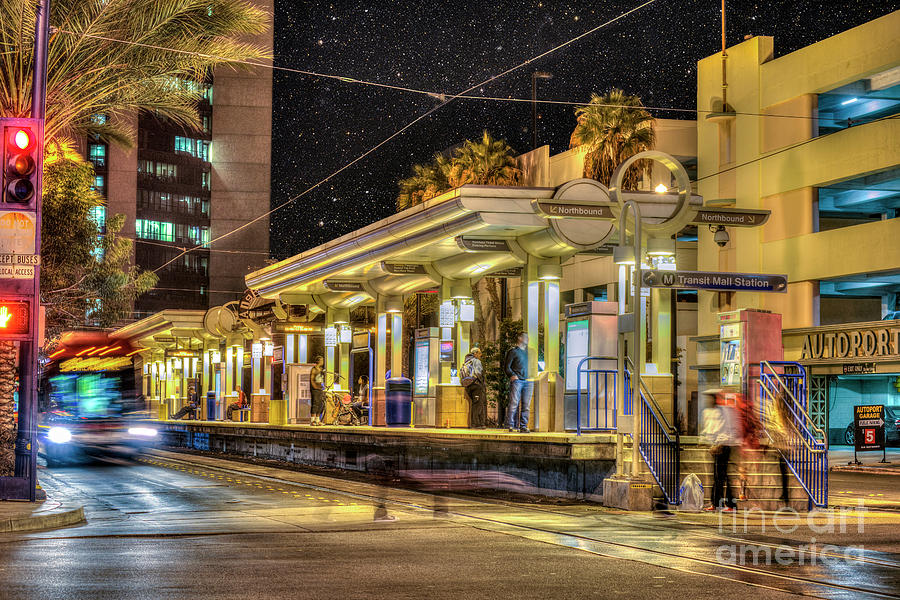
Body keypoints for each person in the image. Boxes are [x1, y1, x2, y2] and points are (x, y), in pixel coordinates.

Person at [700, 391, 739, 511]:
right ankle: (723, 503)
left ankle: (721, 503)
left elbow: (727, 429)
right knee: (720, 476)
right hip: (716, 446)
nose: (708, 402)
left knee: (720, 476)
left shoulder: (724, 411)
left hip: (723, 446)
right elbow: (708, 429)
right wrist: (704, 440)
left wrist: (720, 443)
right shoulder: (708, 412)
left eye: (710, 399)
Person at [764, 390, 793, 506]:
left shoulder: (779, 413)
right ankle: (785, 494)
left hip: (780, 444)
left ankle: (785, 494)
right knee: (783, 471)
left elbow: (778, 427)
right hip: (782, 444)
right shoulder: (785, 412)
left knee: (782, 471)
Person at [504, 332, 533, 433]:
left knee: (526, 405)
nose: (527, 339)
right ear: (519, 338)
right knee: (514, 403)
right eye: (525, 337)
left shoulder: (530, 352)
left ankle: (523, 426)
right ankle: (510, 425)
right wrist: (512, 375)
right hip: (517, 381)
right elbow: (507, 367)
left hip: (529, 381)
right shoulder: (513, 352)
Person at [462, 347, 486, 429]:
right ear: (475, 353)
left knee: (475, 404)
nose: (480, 354)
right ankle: (476, 424)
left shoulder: (466, 361)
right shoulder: (476, 361)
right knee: (477, 405)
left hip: (468, 386)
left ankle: (478, 423)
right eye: (479, 353)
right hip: (476, 385)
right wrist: (482, 383)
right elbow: (478, 373)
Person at [310, 355, 325, 425]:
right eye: (321, 360)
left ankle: (318, 420)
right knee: (315, 404)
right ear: (318, 361)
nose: (322, 362)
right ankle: (312, 420)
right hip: (315, 389)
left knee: (320, 404)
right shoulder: (314, 369)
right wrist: (315, 387)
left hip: (320, 388)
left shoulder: (321, 369)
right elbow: (312, 379)